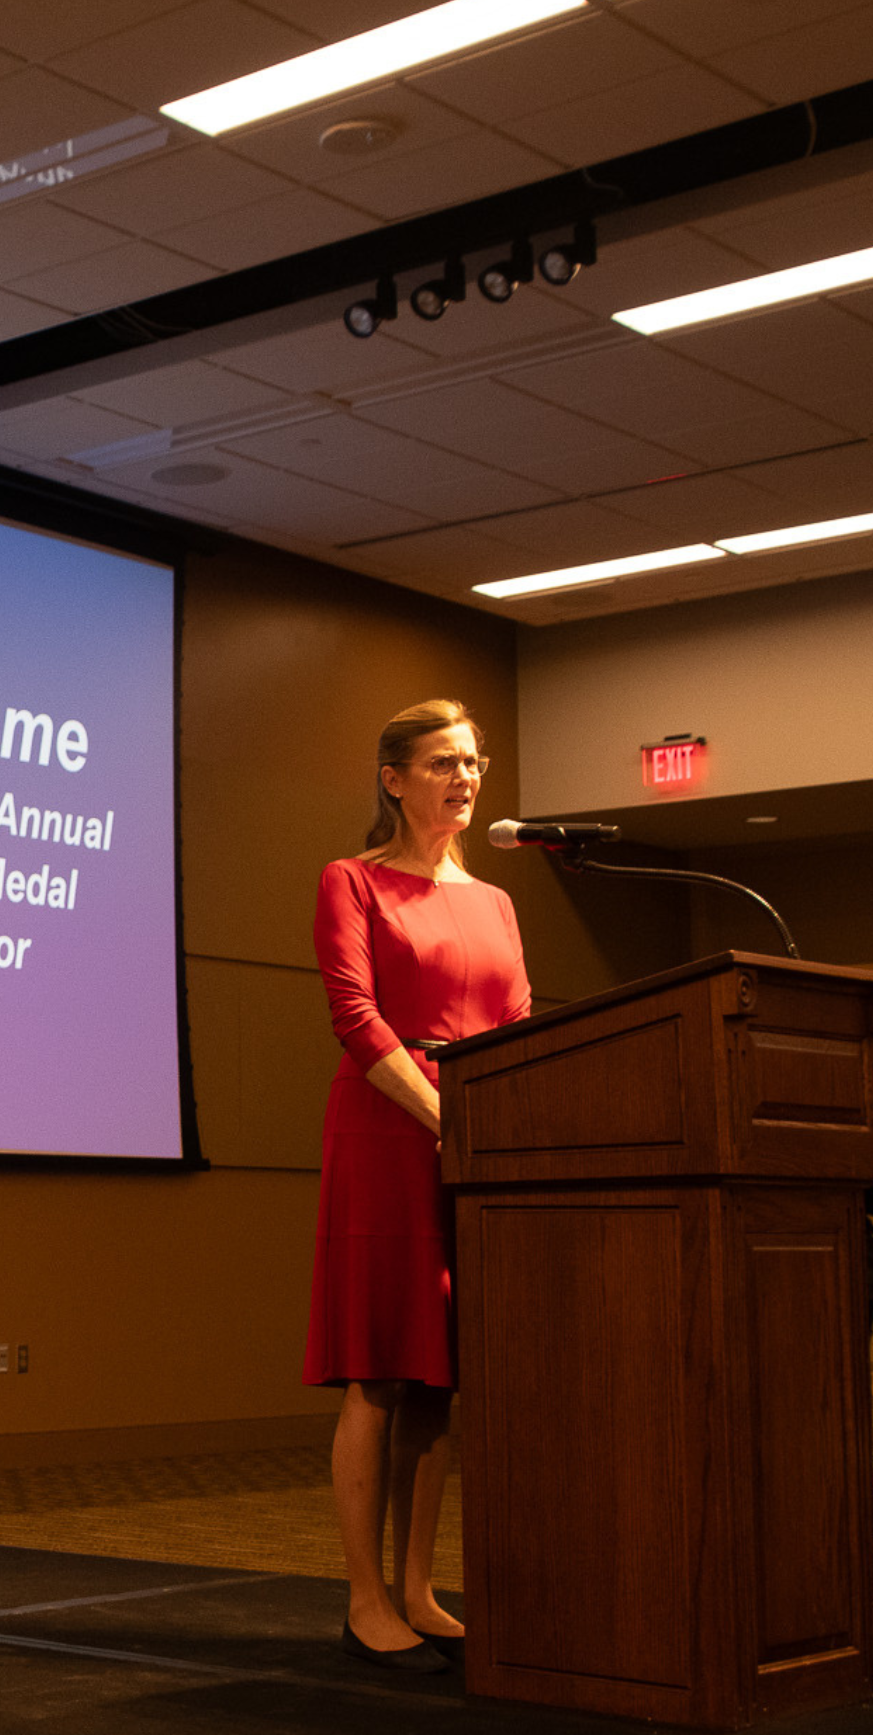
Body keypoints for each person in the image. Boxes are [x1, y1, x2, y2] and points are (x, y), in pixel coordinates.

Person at [307, 698, 530, 1674]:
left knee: (441, 1375)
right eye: (444, 761)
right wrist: (450, 1120)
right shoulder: (351, 881)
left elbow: (519, 1029)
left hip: (472, 1139)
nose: (466, 778)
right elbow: (356, 1019)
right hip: (388, 1133)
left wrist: (499, 1131)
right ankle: (363, 1594)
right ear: (393, 778)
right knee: (382, 1368)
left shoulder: (495, 901)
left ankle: (417, 1585)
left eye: (474, 762)